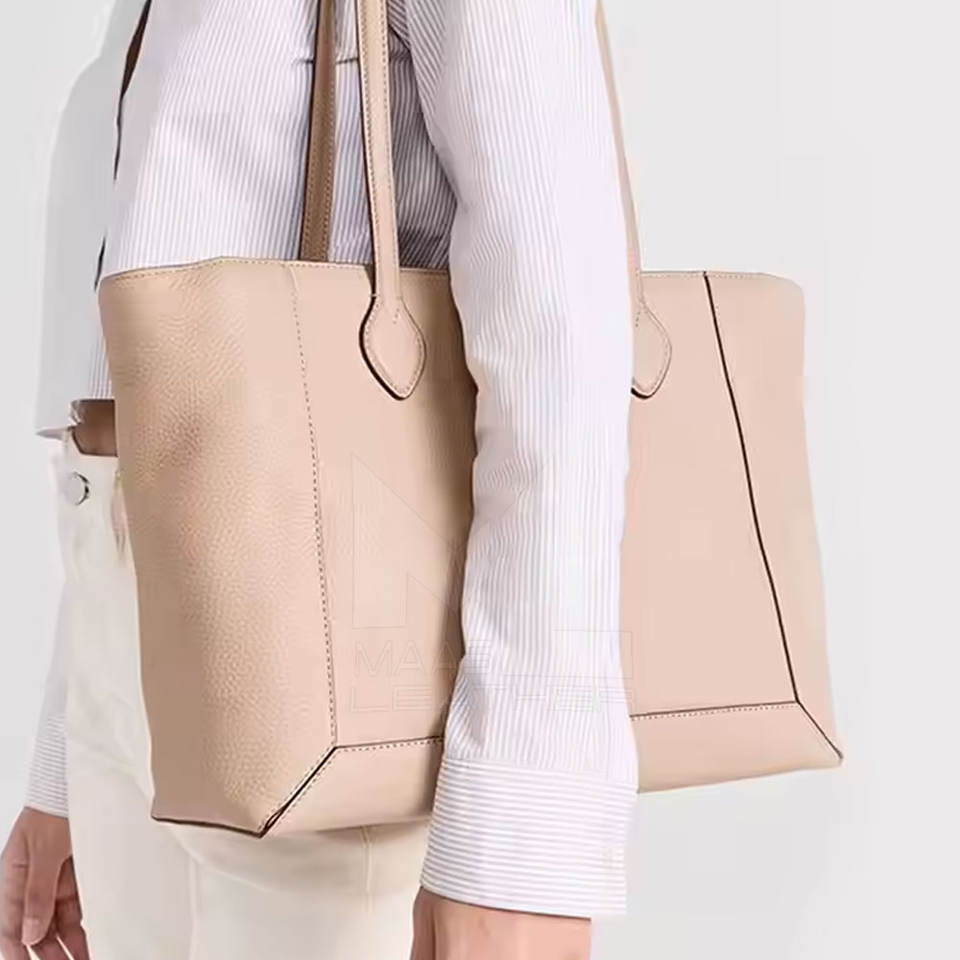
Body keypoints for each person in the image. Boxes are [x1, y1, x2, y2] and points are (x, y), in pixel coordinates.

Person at [1, 1, 637, 957]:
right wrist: (72, 753)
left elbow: (563, 344)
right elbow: (142, 414)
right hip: (134, 681)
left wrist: (522, 844)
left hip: (336, 688)